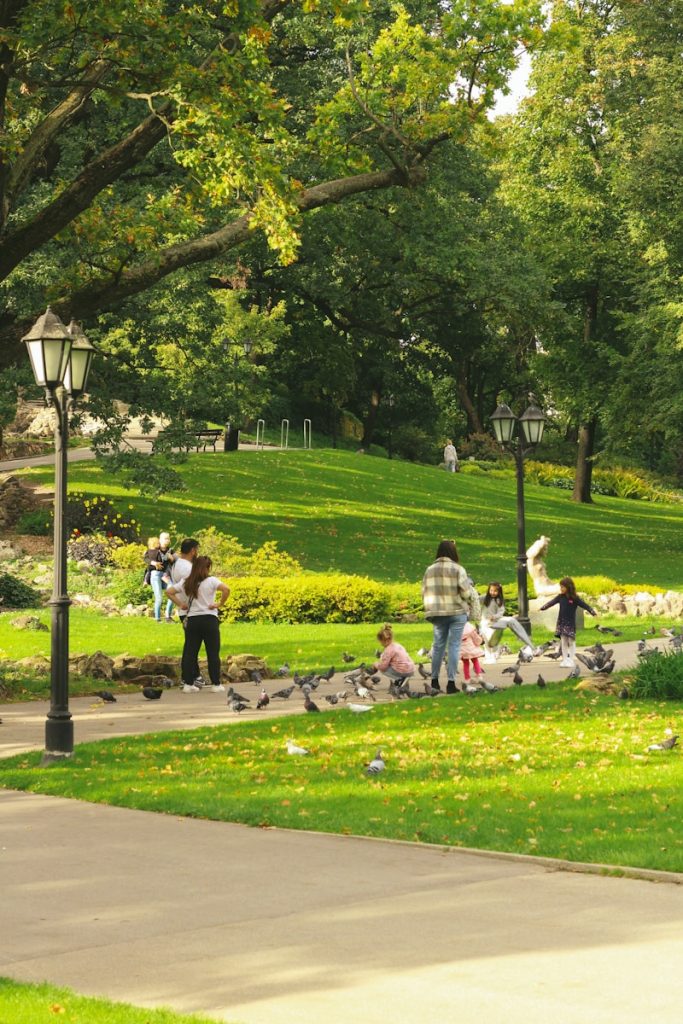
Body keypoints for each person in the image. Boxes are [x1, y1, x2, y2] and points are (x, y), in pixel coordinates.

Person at [422, 540, 479, 694]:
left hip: (437, 613)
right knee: (454, 646)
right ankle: (451, 683)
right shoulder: (458, 569)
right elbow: (466, 593)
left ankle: (434, 681)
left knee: (438, 646)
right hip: (456, 612)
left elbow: (424, 592)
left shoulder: (430, 570)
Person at [167, 556, 230, 692]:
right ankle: (216, 684)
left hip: (193, 620)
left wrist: (180, 604)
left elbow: (169, 592)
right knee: (212, 652)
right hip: (209, 619)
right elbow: (226, 589)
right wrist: (219, 603)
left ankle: (188, 684)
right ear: (207, 568)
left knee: (191, 652)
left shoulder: (186, 582)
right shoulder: (212, 581)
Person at [540, 577, 597, 667]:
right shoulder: (560, 597)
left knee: (571, 641)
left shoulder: (574, 598)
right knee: (563, 641)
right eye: (560, 587)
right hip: (561, 622)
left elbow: (585, 605)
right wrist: (543, 607)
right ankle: (565, 660)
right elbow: (551, 602)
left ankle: (571, 660)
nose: (561, 589)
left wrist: (593, 612)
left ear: (568, 587)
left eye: (563, 587)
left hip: (570, 623)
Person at [170, 538, 204, 687]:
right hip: (190, 610)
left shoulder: (179, 564)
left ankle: (192, 674)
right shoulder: (186, 568)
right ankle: (190, 675)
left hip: (186, 609)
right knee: (191, 645)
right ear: (193, 550)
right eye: (197, 549)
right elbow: (188, 586)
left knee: (192, 644)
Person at [480, 582, 538, 663]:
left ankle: (531, 646)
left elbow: (501, 612)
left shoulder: (499, 600)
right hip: (485, 623)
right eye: (491, 590)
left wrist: (495, 616)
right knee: (487, 639)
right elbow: (474, 601)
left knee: (510, 621)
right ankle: (489, 656)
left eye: (495, 591)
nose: (493, 593)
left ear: (499, 592)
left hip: (496, 622)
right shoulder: (484, 598)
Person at [144, 533, 175, 622]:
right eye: (165, 538)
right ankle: (157, 619)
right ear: (160, 539)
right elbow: (146, 559)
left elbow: (175, 562)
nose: (167, 540)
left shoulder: (171, 550)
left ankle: (168, 616)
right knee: (159, 598)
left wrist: (172, 559)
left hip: (165, 575)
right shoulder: (154, 549)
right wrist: (154, 563)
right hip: (155, 575)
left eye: (168, 538)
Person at [460, 621, 485, 686]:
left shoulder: (456, 627)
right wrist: (480, 642)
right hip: (471, 648)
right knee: (475, 661)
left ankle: (467, 678)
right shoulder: (469, 627)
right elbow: (476, 637)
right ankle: (479, 676)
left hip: (462, 649)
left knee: (465, 664)